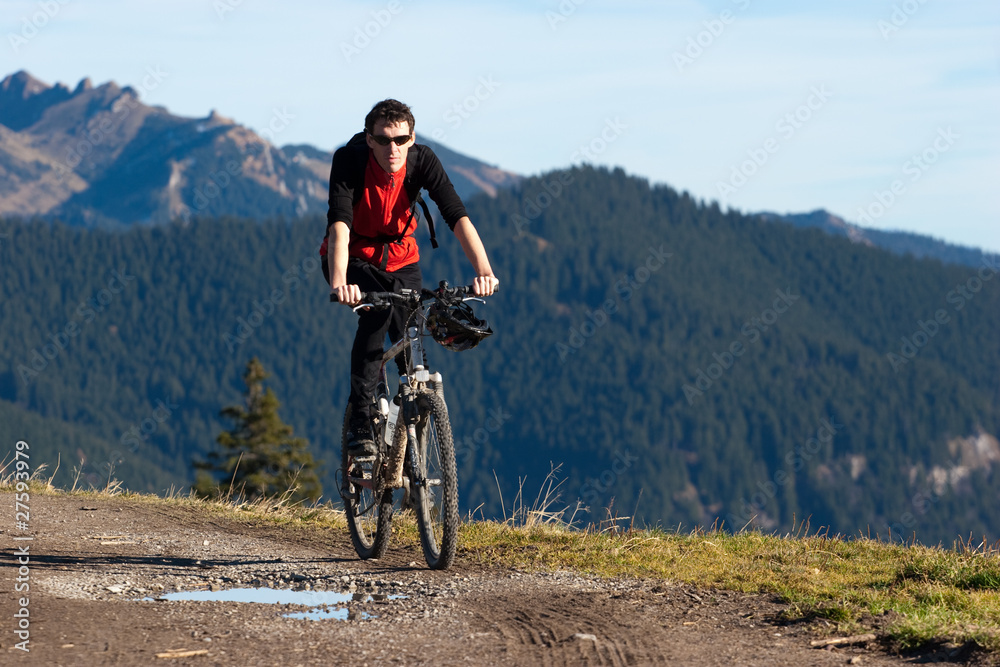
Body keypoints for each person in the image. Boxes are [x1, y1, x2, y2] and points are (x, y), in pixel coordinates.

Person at [322, 99, 499, 456]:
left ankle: (412, 434)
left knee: (412, 330)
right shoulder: (350, 160)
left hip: (402, 258)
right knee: (378, 318)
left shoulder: (423, 160)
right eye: (384, 140)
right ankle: (361, 419)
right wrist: (340, 281)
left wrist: (484, 270)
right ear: (369, 139)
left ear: (412, 138)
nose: (394, 148)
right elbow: (339, 224)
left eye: (401, 140)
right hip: (355, 258)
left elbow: (456, 215)